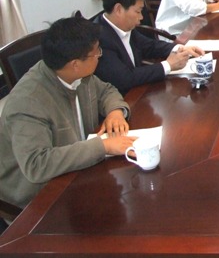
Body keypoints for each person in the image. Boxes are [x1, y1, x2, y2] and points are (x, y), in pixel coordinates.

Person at [0, 18, 137, 210]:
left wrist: (115, 111)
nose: (100, 55)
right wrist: (103, 146)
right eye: (96, 52)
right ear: (75, 64)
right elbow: (36, 164)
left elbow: (106, 91)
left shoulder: (76, 74)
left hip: (79, 168)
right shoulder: (27, 103)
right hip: (40, 196)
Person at [94, 0, 205, 95]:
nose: (141, 17)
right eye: (138, 12)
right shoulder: (99, 39)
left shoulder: (123, 25)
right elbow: (125, 78)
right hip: (122, 99)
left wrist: (180, 49)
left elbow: (150, 46)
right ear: (118, 9)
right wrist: (168, 65)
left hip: (138, 90)